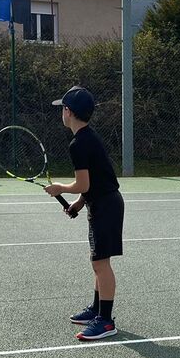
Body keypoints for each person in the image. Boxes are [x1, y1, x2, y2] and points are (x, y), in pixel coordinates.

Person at [45, 86, 125, 340]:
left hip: (106, 206)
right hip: (103, 203)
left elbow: (83, 184)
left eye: (62, 109)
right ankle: (97, 310)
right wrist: (79, 203)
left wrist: (60, 188)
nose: (62, 113)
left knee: (101, 263)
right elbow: (96, 180)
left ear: (68, 112)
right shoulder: (89, 137)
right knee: (98, 262)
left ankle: (106, 321)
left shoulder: (78, 144)